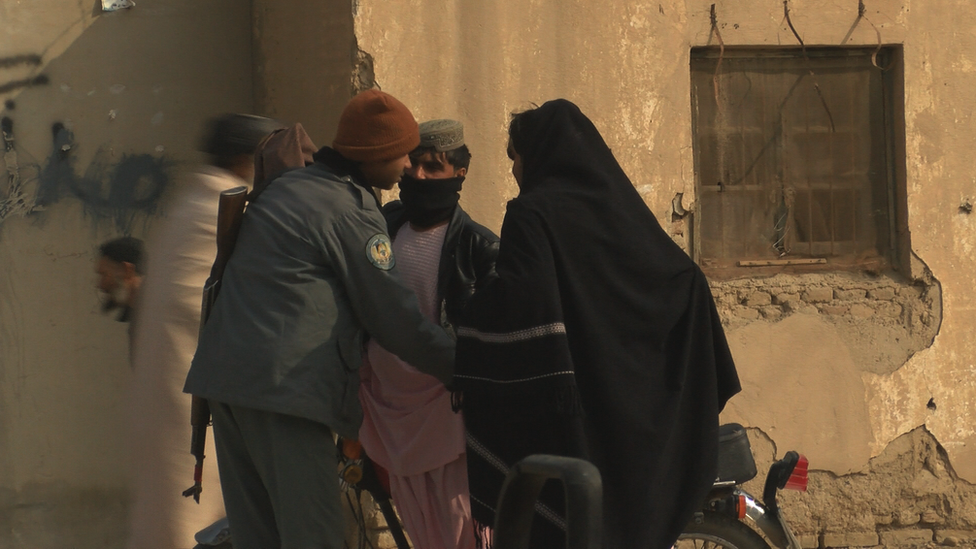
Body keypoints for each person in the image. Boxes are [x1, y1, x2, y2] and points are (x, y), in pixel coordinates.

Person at [452, 99, 742, 549]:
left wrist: (469, 310)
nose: (513, 170)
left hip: (579, 418)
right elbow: (683, 281)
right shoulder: (619, 211)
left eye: (516, 157)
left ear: (541, 155)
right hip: (637, 415)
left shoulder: (532, 215)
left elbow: (521, 303)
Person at [184, 90, 456, 549]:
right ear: (376, 154)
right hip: (283, 395)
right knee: (314, 538)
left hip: (226, 387)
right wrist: (468, 364)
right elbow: (394, 319)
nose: (410, 166)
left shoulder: (292, 187)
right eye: (404, 154)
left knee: (260, 539)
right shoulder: (347, 210)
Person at [126, 114, 282, 549]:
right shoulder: (218, 210)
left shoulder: (192, 206)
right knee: (196, 523)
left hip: (178, 400)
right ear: (244, 159)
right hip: (191, 407)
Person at [358, 119, 499, 549]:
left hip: (446, 412)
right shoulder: (381, 227)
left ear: (459, 173)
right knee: (420, 528)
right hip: (386, 411)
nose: (418, 176)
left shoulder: (479, 248)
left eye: (433, 167)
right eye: (413, 165)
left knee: (462, 527)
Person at [95, 236, 144, 354]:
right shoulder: (143, 319)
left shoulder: (157, 318)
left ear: (127, 270)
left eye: (105, 274)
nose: (101, 285)